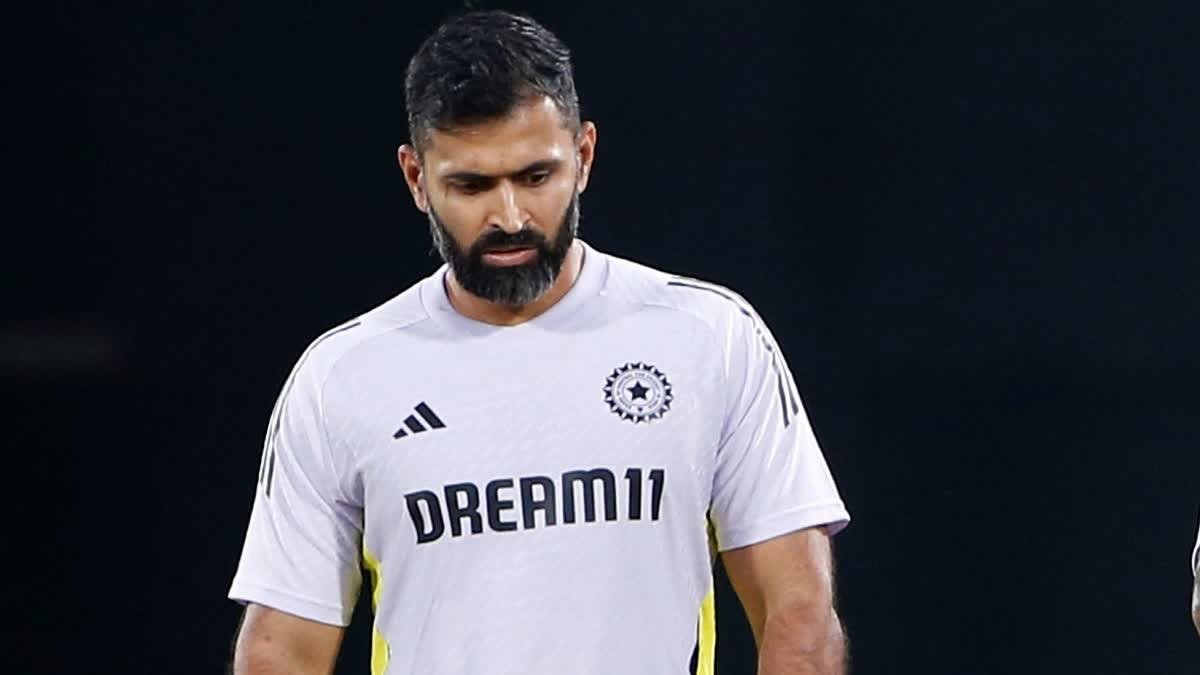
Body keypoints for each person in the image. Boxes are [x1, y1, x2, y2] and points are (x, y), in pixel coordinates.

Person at [227, 9, 851, 675]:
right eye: (471, 185)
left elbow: (799, 614)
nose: (509, 217)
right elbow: (281, 648)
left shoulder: (709, 338)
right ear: (416, 178)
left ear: (583, 157)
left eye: (534, 176)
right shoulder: (342, 377)